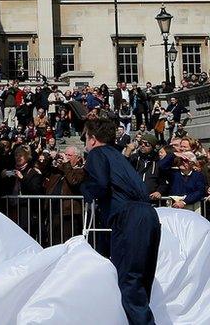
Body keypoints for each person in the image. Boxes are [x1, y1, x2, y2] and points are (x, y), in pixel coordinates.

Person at [81, 111, 161, 325]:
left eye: (85, 137)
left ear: (93, 138)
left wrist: (84, 188)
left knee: (129, 283)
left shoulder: (97, 155)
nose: (85, 143)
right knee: (141, 283)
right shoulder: (118, 155)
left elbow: (98, 185)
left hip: (129, 217)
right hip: (148, 216)